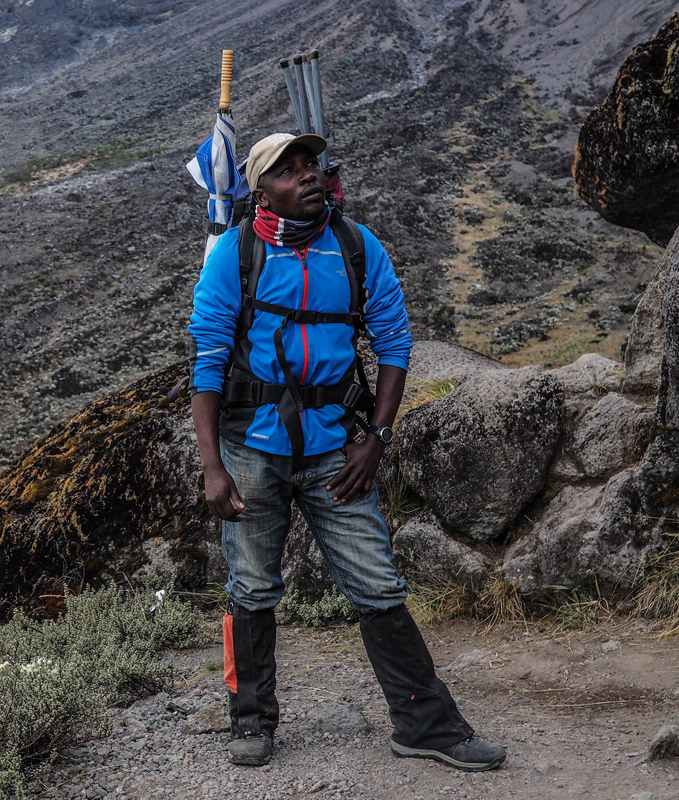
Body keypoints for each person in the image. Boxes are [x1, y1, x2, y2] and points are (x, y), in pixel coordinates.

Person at [187, 132, 505, 771]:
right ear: (259, 190)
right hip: (251, 447)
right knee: (251, 584)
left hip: (337, 446)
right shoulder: (234, 253)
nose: (307, 178)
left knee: (376, 580)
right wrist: (212, 466)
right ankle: (250, 722)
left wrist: (377, 439)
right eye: (287, 171)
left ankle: (425, 724)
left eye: (312, 167)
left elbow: (394, 344)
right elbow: (209, 359)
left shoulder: (357, 247)